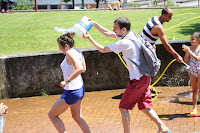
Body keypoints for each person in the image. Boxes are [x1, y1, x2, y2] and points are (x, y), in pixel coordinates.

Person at [83, 17, 171, 133]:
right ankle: (162, 127)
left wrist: (89, 38)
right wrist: (93, 23)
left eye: (115, 28)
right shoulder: (132, 34)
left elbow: (103, 49)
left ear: (123, 29)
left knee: (123, 108)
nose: (113, 30)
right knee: (144, 106)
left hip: (137, 80)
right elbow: (108, 34)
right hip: (145, 78)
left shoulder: (125, 43)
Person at [48, 32, 91, 133]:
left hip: (71, 91)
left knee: (52, 115)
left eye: (60, 47)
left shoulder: (69, 53)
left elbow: (80, 68)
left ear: (66, 46)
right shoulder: (78, 51)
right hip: (80, 89)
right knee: (77, 117)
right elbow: (84, 68)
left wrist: (66, 81)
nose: (59, 49)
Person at [182, 32, 200, 117]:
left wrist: (189, 50)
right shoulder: (190, 48)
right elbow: (185, 61)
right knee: (194, 90)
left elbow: (197, 58)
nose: (191, 41)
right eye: (191, 39)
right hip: (193, 71)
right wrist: (187, 52)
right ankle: (194, 108)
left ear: (198, 40)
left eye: (193, 39)